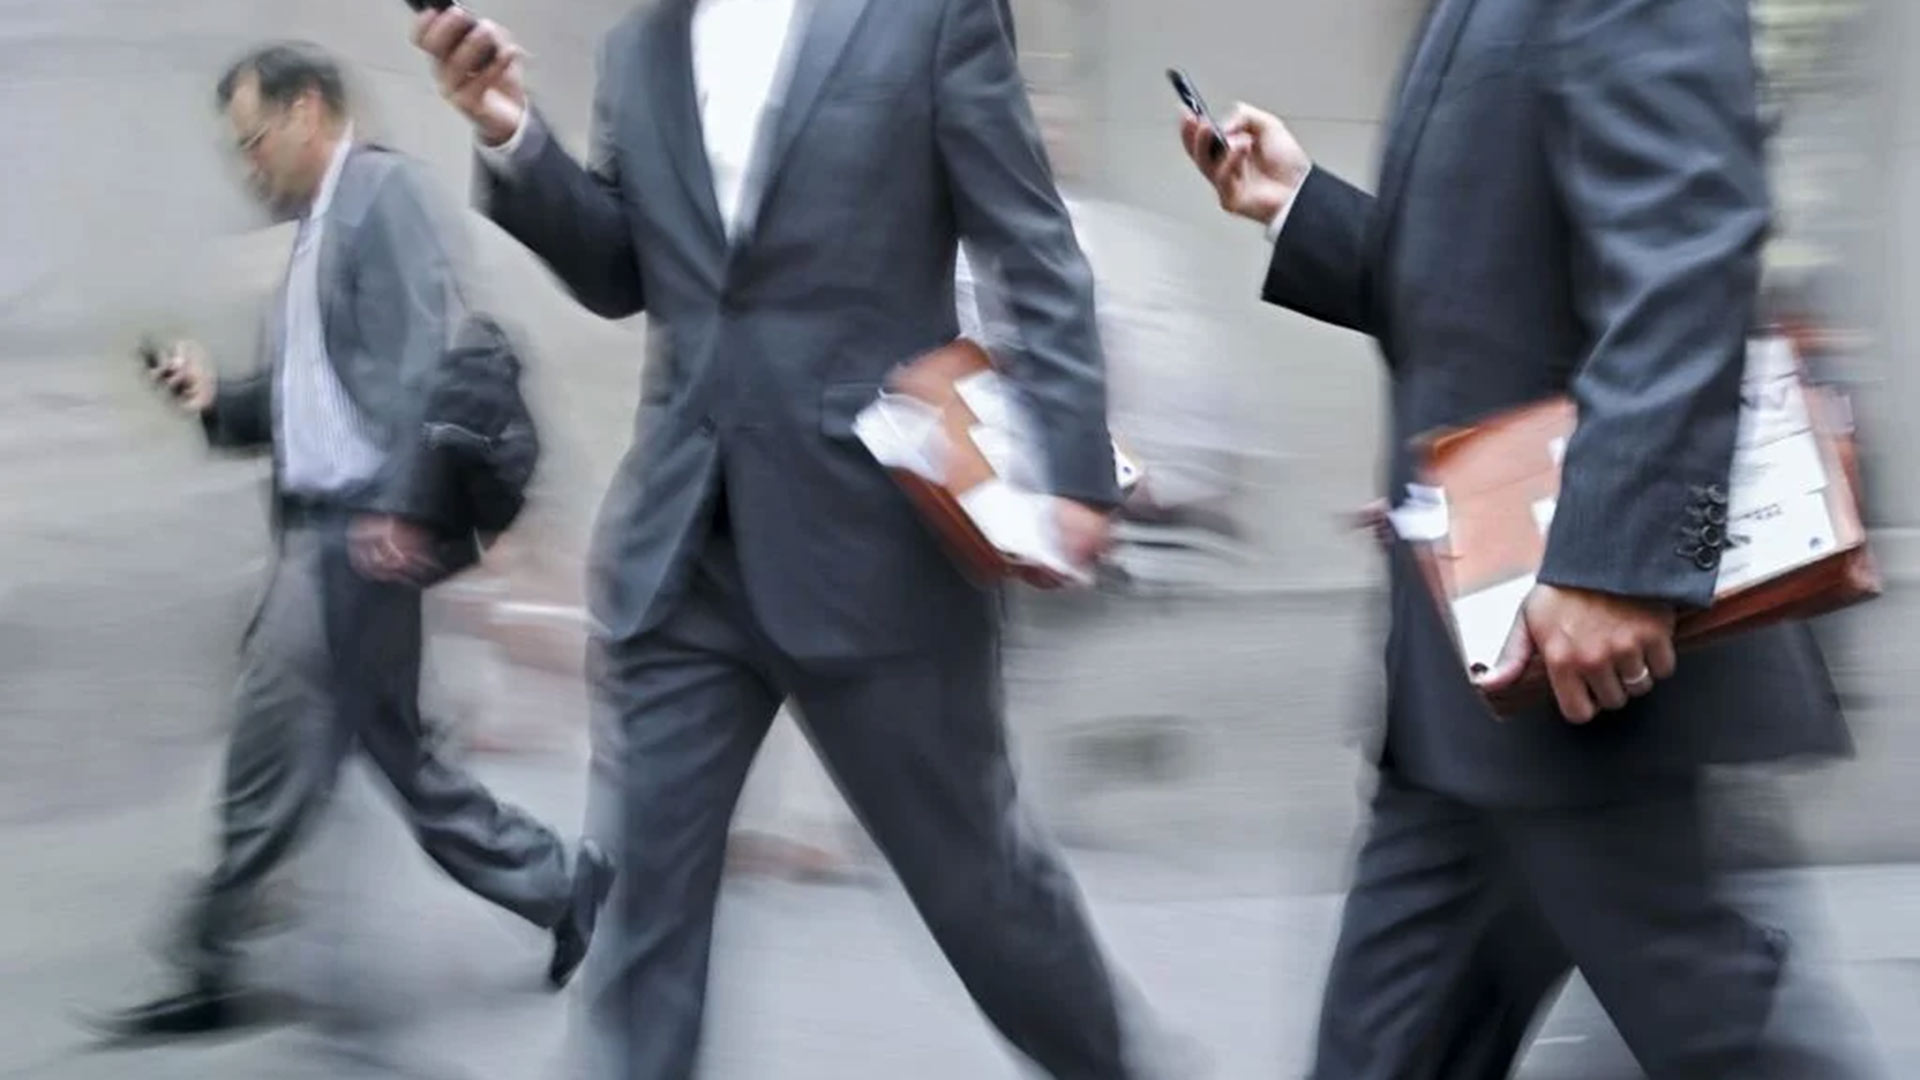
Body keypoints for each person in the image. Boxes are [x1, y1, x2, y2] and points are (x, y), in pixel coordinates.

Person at [410, 2, 1143, 1078]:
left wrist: (1076, 473)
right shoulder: (642, 47)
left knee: (978, 889)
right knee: (643, 919)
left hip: (876, 539)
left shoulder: (925, 21)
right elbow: (624, 272)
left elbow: (1030, 243)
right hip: (683, 549)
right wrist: (511, 132)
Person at [1180, 1, 1885, 1077]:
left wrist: (1617, 563)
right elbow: (1477, 290)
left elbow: (1685, 256)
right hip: (1473, 673)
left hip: (1578, 654)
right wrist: (1298, 209)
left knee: (1726, 1038)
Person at [103, 42, 612, 1038]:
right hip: (329, 529)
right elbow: (311, 407)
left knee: (269, 750)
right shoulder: (317, 232)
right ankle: (564, 888)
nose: (246, 165)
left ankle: (215, 960)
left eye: (252, 141)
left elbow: (421, 363)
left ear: (307, 112)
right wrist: (217, 400)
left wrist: (401, 505)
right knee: (405, 762)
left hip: (355, 538)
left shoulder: (383, 198)